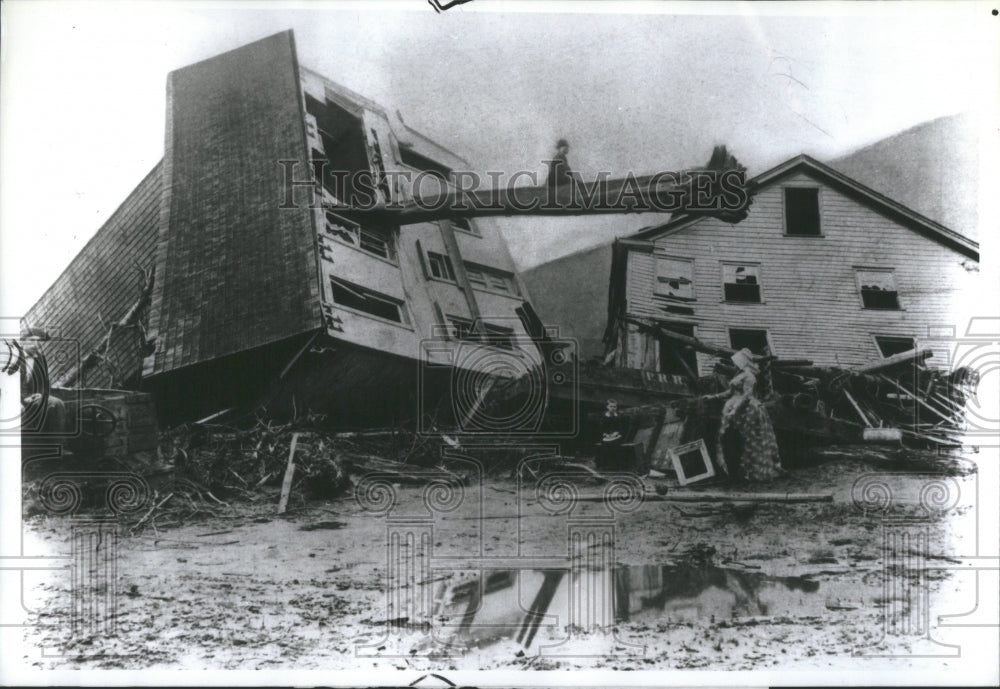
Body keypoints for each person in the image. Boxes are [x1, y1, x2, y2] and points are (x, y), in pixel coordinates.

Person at [716, 348, 782, 482]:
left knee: (750, 439)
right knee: (732, 439)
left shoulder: (749, 376)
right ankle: (735, 471)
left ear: (742, 362)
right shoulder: (738, 375)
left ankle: (751, 472)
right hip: (735, 408)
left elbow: (746, 395)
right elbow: (730, 392)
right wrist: (713, 396)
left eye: (736, 362)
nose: (734, 364)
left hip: (747, 409)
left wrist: (734, 409)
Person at [596, 398, 625, 471]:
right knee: (604, 446)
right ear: (607, 407)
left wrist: (616, 433)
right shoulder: (603, 417)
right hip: (606, 436)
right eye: (611, 406)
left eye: (614, 406)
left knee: (616, 445)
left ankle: (616, 466)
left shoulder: (618, 417)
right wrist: (605, 434)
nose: (613, 408)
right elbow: (600, 428)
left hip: (616, 435)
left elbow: (621, 428)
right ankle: (603, 465)